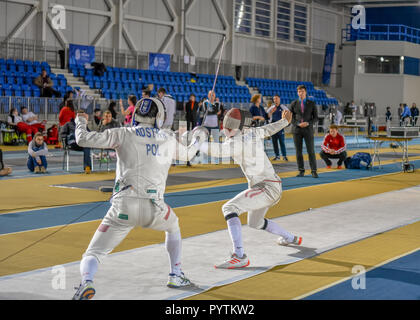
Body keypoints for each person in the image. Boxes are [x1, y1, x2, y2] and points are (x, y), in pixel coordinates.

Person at [72, 98, 203, 300]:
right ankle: (175, 274)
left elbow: (82, 139)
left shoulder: (123, 133)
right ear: (159, 116)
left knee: (94, 253)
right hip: (155, 209)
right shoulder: (166, 138)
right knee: (173, 225)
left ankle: (86, 282)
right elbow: (188, 155)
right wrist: (198, 138)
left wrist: (80, 120)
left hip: (123, 207)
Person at [196, 108, 302, 269]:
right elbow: (268, 129)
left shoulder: (237, 142)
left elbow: (219, 151)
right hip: (270, 186)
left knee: (229, 208)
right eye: (226, 124)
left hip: (266, 188)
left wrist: (197, 143)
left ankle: (239, 256)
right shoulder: (251, 133)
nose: (226, 128)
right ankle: (290, 238)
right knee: (255, 223)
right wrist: (285, 122)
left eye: (229, 125)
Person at [290, 85, 319, 178]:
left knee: (311, 151)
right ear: (297, 93)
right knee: (298, 152)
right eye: (299, 91)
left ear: (305, 92)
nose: (300, 93)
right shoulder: (293, 103)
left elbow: (316, 118)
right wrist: (298, 124)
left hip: (308, 129)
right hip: (297, 130)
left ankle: (313, 171)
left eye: (302, 91)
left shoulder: (311, 103)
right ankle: (301, 171)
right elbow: (290, 118)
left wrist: (308, 123)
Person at [267, 95, 289, 161]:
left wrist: (286, 123)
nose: (275, 100)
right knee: (274, 142)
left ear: (279, 99)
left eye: (276, 98)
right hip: (273, 128)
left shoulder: (283, 107)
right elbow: (267, 116)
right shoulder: (271, 108)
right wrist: (271, 113)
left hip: (280, 128)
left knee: (282, 142)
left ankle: (284, 156)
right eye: (274, 99)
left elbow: (289, 113)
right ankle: (277, 156)